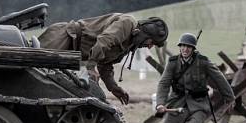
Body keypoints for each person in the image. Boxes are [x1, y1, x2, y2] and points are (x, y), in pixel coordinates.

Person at [38, 13, 168, 105]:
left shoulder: (129, 44)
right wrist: (90, 67)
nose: (149, 46)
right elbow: (104, 41)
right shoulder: (128, 23)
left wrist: (113, 87)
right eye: (151, 42)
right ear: (145, 34)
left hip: (73, 51)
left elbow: (105, 65)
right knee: (34, 72)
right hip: (63, 37)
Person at [155, 33, 234, 123]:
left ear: (193, 49)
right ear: (180, 47)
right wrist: (160, 103)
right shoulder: (173, 62)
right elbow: (164, 83)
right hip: (177, 103)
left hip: (198, 104)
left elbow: (219, 78)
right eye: (183, 46)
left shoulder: (203, 62)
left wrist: (230, 98)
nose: (185, 49)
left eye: (189, 47)